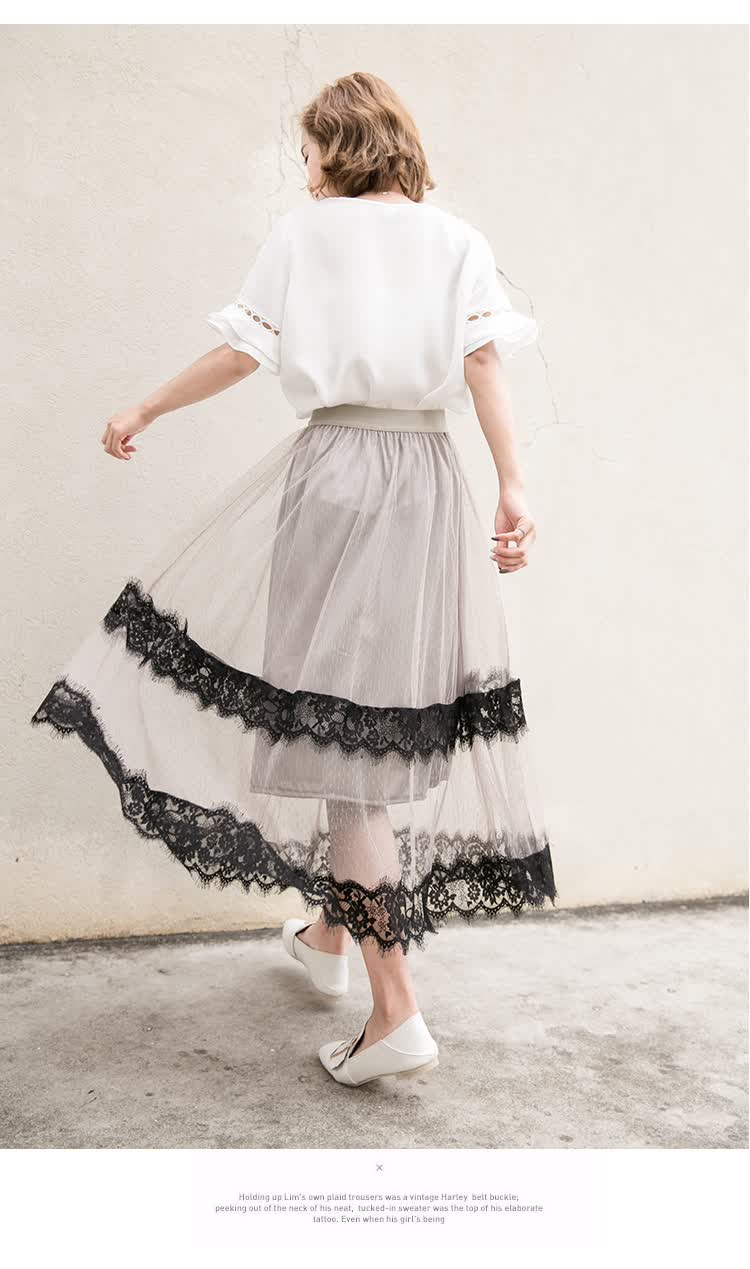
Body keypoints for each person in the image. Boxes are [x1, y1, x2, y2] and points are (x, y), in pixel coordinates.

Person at [30, 71, 557, 1088]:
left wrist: (144, 408)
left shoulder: (306, 235)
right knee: (361, 712)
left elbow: (242, 357)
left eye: (309, 148)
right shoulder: (457, 240)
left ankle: (395, 1012)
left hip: (338, 472)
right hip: (429, 479)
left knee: (337, 732)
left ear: (339, 147)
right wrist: (514, 485)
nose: (304, 165)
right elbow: (486, 367)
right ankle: (327, 938)